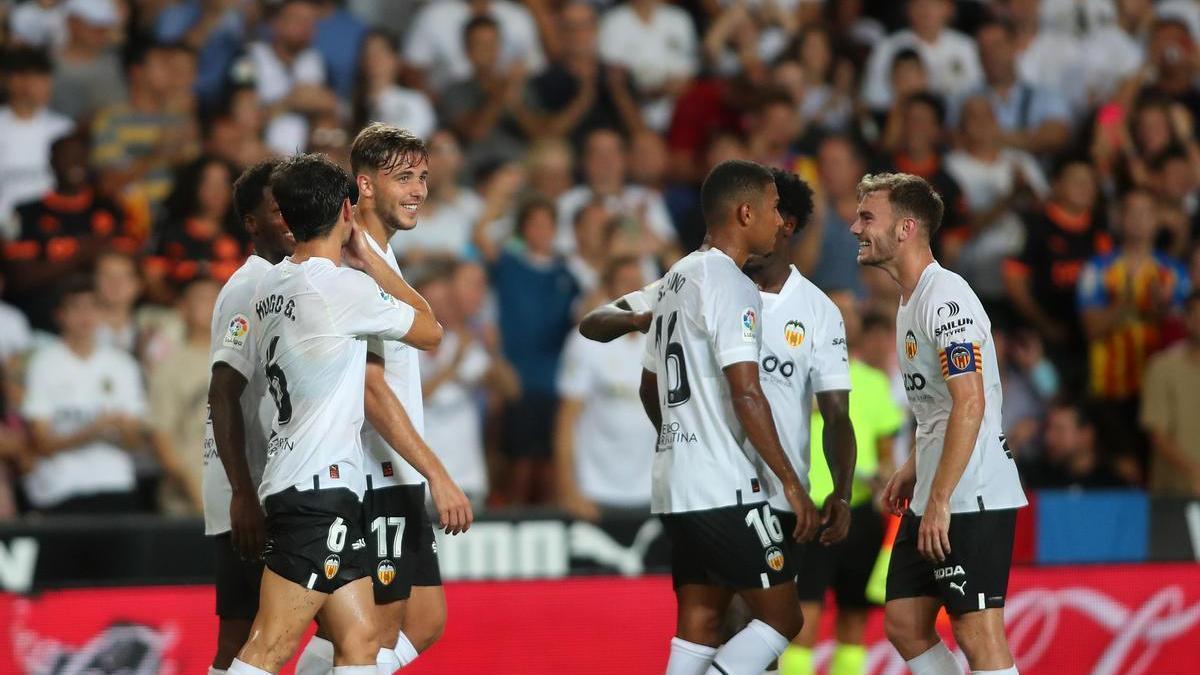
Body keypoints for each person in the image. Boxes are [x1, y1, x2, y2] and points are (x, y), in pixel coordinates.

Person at [223, 154, 442, 675]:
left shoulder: (273, 285)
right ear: (347, 210)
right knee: (269, 646)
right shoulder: (342, 288)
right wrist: (372, 261)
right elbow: (431, 329)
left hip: (305, 483)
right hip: (316, 490)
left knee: (361, 639)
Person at [293, 123, 473, 675]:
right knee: (369, 634)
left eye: (423, 177)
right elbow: (371, 389)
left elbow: (428, 327)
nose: (418, 190)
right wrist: (438, 473)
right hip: (373, 472)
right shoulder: (353, 266)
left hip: (395, 472)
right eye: (404, 178)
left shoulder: (377, 258)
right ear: (365, 185)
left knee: (424, 620)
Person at [640, 160, 818, 675]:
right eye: (773, 209)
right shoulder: (731, 283)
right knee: (783, 618)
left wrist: (682, 437)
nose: (779, 221)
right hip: (724, 487)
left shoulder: (675, 279)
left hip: (676, 483)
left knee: (700, 620)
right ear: (745, 213)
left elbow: (649, 386)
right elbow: (747, 393)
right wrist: (791, 482)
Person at [851, 172, 1026, 675]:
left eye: (867, 217)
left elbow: (970, 403)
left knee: (977, 633)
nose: (855, 228)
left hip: (970, 492)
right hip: (937, 488)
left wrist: (942, 499)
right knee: (905, 623)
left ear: (906, 228)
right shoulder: (910, 300)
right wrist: (913, 466)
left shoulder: (946, 299)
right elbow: (940, 408)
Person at [203, 159, 294, 675]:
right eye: (277, 210)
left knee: (257, 635)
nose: (290, 217)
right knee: (244, 638)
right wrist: (242, 492)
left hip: (270, 484)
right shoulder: (249, 287)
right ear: (252, 223)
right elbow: (222, 392)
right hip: (250, 490)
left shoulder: (284, 280)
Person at [1077, 189, 1191, 479]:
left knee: (1156, 470)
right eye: (1132, 212)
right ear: (1120, 218)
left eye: (1146, 213)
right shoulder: (1098, 269)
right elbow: (1091, 328)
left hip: (1158, 391)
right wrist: (1124, 305)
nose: (1139, 220)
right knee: (1125, 473)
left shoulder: (1175, 273)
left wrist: (1162, 310)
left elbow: (1186, 335)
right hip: (1109, 389)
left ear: (1157, 219)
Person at [22, 276, 147, 514]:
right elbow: (41, 443)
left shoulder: (123, 364)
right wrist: (92, 431)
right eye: (76, 308)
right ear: (60, 315)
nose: (85, 316)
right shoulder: (43, 364)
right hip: (61, 488)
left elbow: (135, 441)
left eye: (93, 307)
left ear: (102, 314)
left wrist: (122, 429)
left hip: (116, 484)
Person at [555, 255, 656, 520]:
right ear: (609, 290)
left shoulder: (660, 340)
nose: (633, 291)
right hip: (594, 490)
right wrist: (568, 489)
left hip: (651, 490)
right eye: (625, 283)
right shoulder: (585, 342)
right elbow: (566, 419)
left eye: (638, 284)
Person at [0, 45, 73, 237]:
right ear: (15, 81)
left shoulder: (63, 129)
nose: (47, 86)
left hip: (54, 228)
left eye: (48, 79)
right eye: (39, 79)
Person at [1141, 290, 1200, 497]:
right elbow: (1157, 433)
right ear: (1186, 320)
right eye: (1196, 315)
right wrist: (1194, 472)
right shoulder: (1162, 366)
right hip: (1174, 493)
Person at [1021, 400, 1128, 490]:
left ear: (1086, 435)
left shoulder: (1114, 487)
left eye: (1059, 429)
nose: (1049, 438)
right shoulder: (1040, 480)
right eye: (1048, 429)